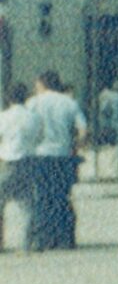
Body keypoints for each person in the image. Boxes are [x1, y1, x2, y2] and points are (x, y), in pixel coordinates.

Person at [19, 70, 88, 251]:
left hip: (40, 155)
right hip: (63, 155)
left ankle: (45, 238)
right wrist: (76, 146)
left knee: (43, 197)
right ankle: (65, 238)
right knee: (62, 197)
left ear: (42, 84)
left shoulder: (32, 102)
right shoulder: (69, 102)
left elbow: (24, 126)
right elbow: (83, 129)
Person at [0, 82, 27, 252]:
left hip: (6, 162)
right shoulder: (33, 117)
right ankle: (27, 242)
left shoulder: (3, 117)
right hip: (28, 163)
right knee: (28, 205)